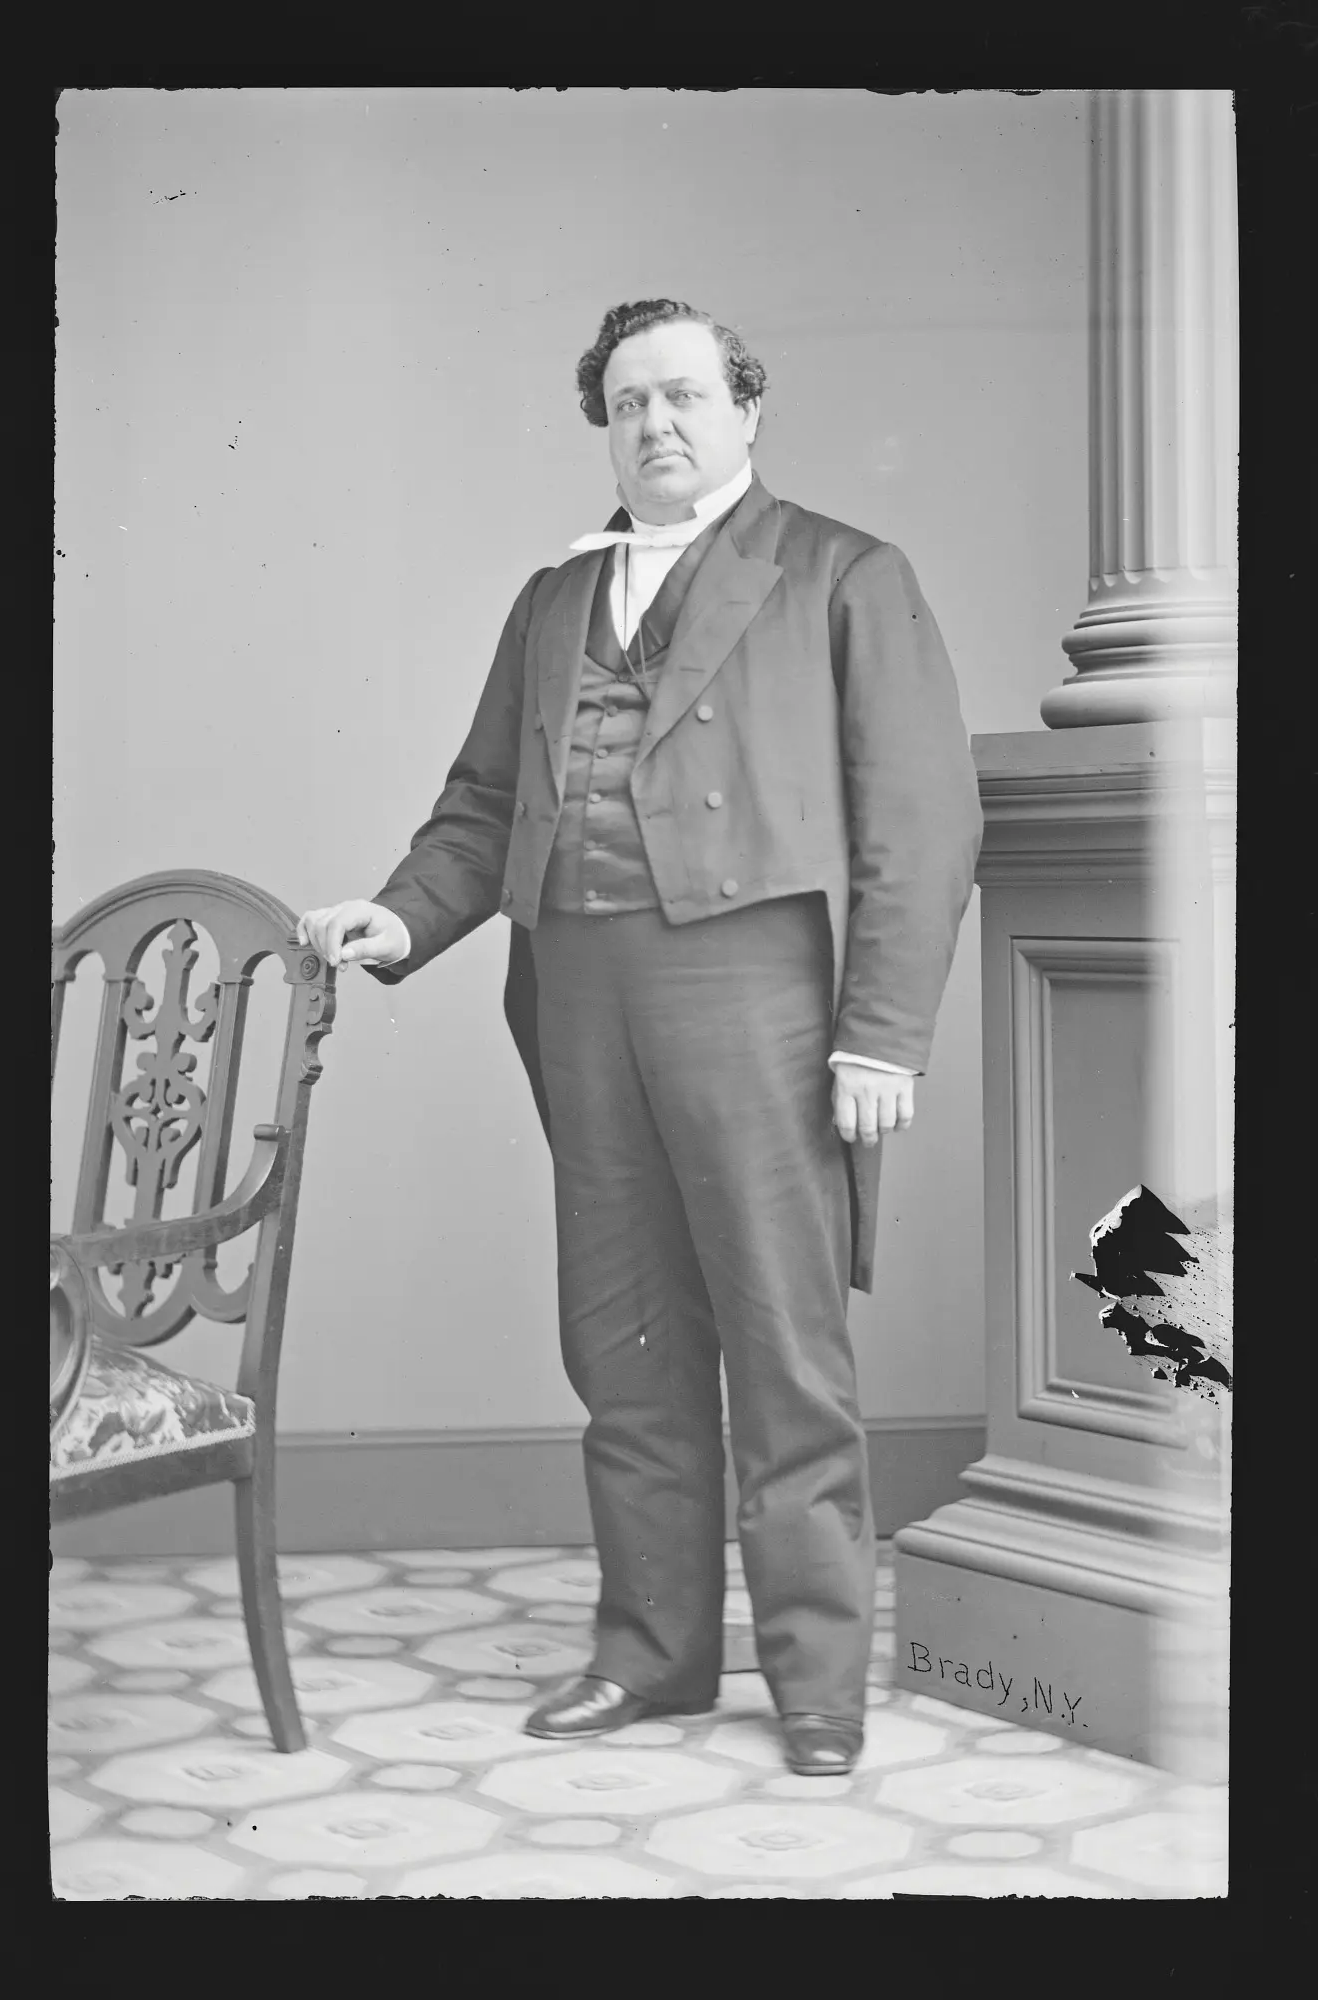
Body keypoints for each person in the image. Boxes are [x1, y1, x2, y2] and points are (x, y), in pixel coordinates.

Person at [298, 298, 983, 1775]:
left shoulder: (843, 572)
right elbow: (484, 804)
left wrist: (880, 1037)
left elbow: (923, 820)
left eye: (682, 395)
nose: (655, 425)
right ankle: (650, 1653)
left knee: (783, 1346)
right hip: (580, 997)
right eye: (626, 404)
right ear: (604, 429)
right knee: (621, 1339)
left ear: (746, 408)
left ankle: (816, 1685)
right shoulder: (556, 598)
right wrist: (401, 919)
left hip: (760, 999)